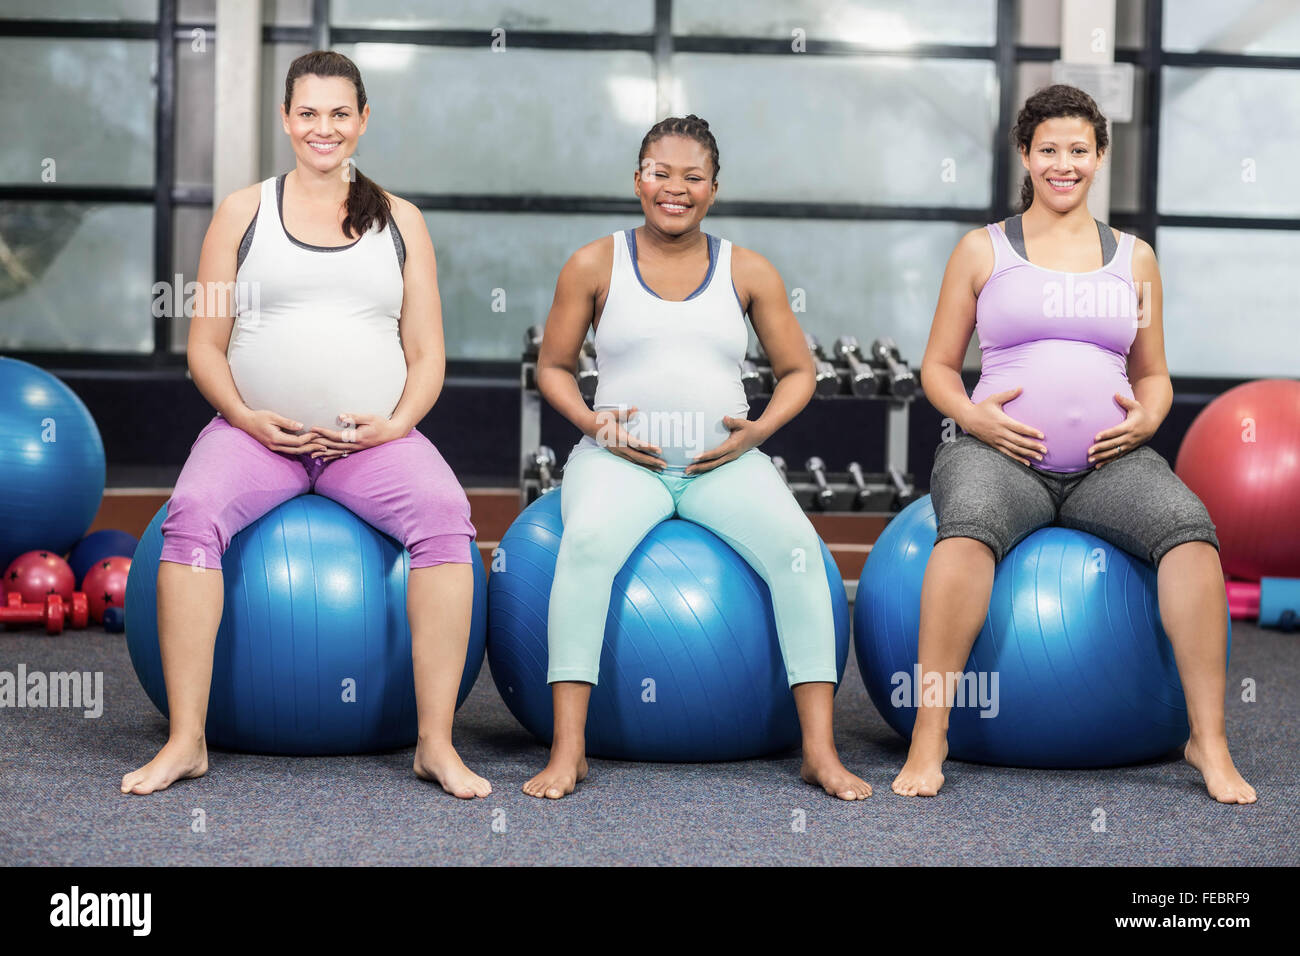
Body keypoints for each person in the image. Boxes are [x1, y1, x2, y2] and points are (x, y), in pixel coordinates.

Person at [121, 51, 491, 799]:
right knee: (189, 514)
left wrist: (394, 427)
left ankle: (435, 745)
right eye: (308, 113)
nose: (323, 128)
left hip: (369, 445)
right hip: (257, 439)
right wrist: (246, 417)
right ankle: (186, 740)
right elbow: (204, 345)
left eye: (339, 113)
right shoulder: (243, 211)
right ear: (287, 119)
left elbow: (427, 355)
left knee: (448, 516)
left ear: (362, 120)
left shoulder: (401, 221)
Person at [898, 84, 1255, 804]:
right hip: (999, 455)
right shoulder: (982, 250)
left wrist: (1148, 420)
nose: (1065, 164)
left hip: (1109, 462)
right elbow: (935, 367)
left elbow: (1153, 374)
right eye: (1049, 150)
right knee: (964, 536)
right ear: (1026, 156)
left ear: (1100, 157)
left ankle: (1208, 740)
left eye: (1079, 151)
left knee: (1192, 537)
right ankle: (929, 732)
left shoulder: (1136, 260)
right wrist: (974, 417)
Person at [527, 114, 871, 802]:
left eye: (692, 177)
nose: (674, 189)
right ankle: (570, 752)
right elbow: (554, 367)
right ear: (637, 180)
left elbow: (800, 371)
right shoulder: (595, 263)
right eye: (660, 173)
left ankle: (819, 753)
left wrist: (757, 431)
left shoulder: (748, 269)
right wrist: (595, 423)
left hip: (722, 465)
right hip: (622, 461)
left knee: (801, 553)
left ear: (714, 189)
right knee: (587, 545)